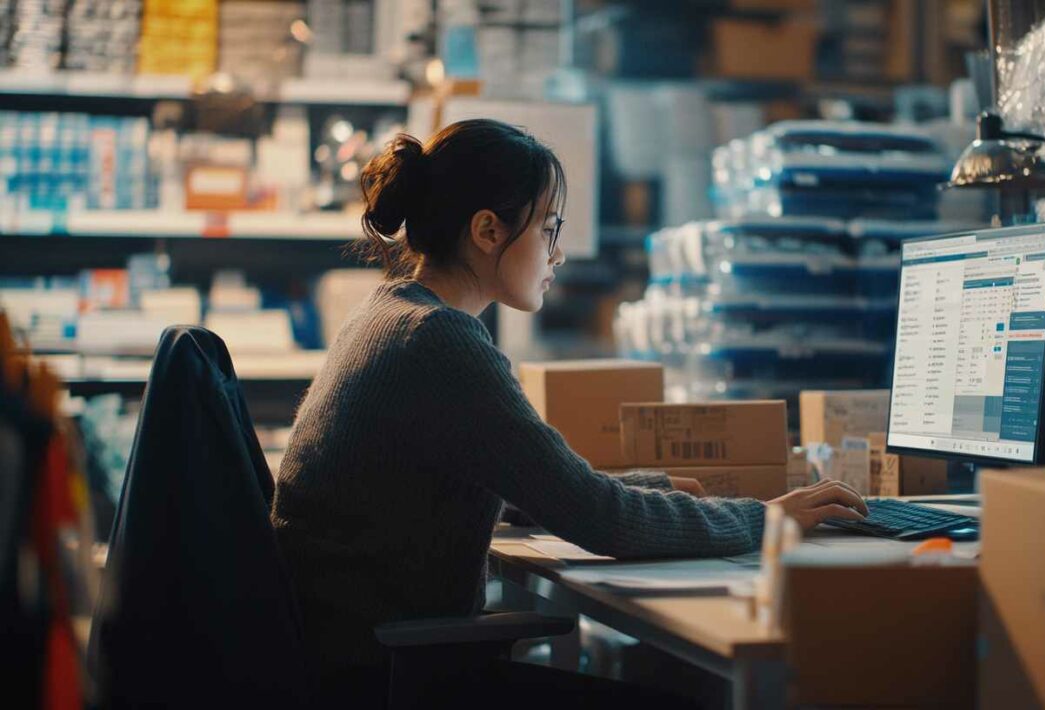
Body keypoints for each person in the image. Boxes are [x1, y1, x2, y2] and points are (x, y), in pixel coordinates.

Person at [270, 119, 868, 706]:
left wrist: (648, 488)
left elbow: (494, 483)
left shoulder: (386, 314)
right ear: (486, 230)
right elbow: (599, 519)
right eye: (549, 231)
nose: (557, 256)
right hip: (391, 678)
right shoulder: (438, 342)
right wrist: (766, 522)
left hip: (350, 662)